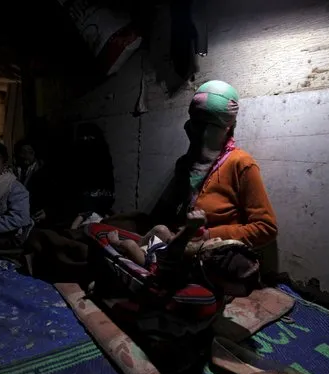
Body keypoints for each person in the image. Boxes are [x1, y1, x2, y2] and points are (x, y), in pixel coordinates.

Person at [152, 80, 277, 248]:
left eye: (209, 125)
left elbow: (265, 228)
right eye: (195, 121)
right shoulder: (184, 165)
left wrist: (207, 235)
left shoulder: (240, 164)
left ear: (228, 127)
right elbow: (165, 213)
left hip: (211, 260)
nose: (198, 131)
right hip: (174, 249)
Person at [108, 209, 208, 269]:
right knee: (161, 230)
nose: (217, 239)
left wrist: (190, 228)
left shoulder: (186, 261)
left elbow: (175, 253)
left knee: (130, 245)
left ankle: (118, 245)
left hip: (150, 262)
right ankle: (139, 246)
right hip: (160, 251)